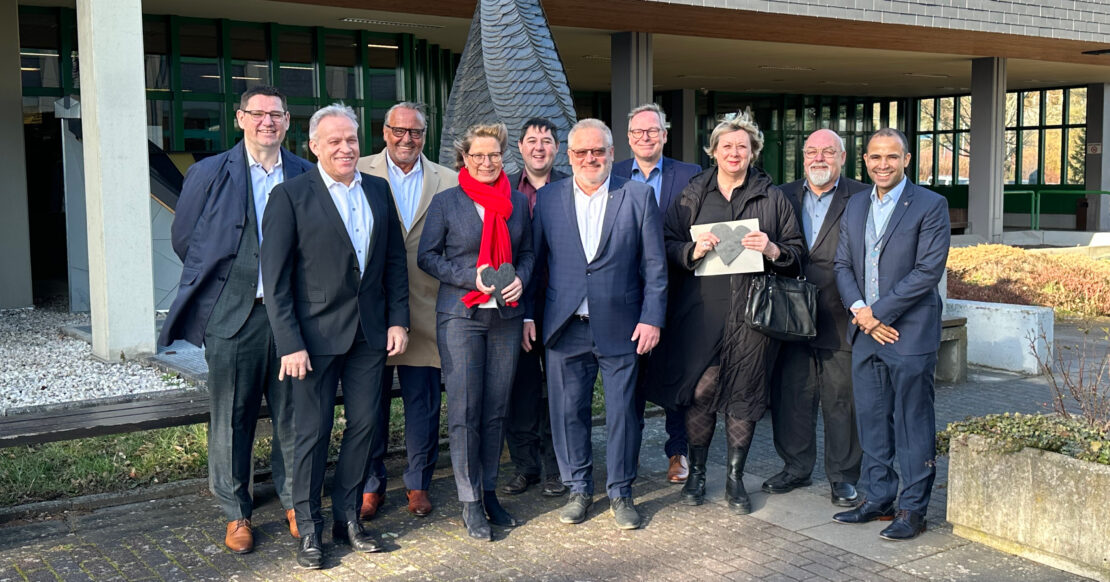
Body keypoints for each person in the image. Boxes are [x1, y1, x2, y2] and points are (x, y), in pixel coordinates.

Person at [160, 85, 311, 554]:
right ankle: (235, 512)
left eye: (277, 114)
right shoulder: (208, 172)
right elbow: (186, 239)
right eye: (258, 113)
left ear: (288, 122)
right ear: (240, 118)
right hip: (231, 317)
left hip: (290, 318)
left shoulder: (306, 173)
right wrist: (227, 284)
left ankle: (292, 500)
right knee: (231, 417)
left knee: (292, 412)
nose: (268, 121)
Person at [262, 104, 409, 569]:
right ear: (314, 147)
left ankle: (349, 519)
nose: (345, 148)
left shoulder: (380, 191)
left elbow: (393, 264)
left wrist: (398, 320)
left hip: (370, 335)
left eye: (350, 140)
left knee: (366, 427)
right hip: (312, 341)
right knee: (312, 433)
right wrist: (289, 343)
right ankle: (309, 530)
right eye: (334, 142)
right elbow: (276, 279)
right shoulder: (290, 196)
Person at [661, 110, 804, 514]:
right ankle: (700, 473)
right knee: (701, 392)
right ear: (714, 151)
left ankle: (735, 479)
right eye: (727, 145)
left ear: (753, 151)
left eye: (743, 146)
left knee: (743, 394)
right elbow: (667, 244)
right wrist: (692, 250)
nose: (734, 152)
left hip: (752, 316)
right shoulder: (692, 195)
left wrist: (774, 249)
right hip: (700, 314)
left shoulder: (771, 197)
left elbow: (796, 254)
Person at [530, 118, 667, 530]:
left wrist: (651, 318)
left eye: (598, 151)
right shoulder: (550, 199)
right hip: (564, 325)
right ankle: (578, 488)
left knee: (624, 413)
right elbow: (537, 266)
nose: (590, 158)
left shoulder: (637, 196)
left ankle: (621, 491)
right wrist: (526, 316)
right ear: (568, 156)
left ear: (611, 153)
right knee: (568, 412)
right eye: (581, 152)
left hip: (622, 326)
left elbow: (655, 267)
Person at [417, 122, 534, 541]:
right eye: (478, 155)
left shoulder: (517, 203)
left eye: (494, 155)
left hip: (504, 318)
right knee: (465, 412)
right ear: (464, 158)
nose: (487, 162)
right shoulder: (447, 201)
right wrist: (471, 277)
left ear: (504, 157)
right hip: (461, 318)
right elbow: (427, 257)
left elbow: (529, 253)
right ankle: (469, 502)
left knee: (496, 408)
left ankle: (488, 491)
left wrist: (520, 276)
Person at [832, 128, 950, 541]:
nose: (883, 164)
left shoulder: (931, 205)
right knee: (871, 420)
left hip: (910, 333)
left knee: (912, 421)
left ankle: (913, 509)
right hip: (866, 331)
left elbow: (926, 272)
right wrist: (861, 314)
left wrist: (876, 313)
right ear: (864, 160)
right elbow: (843, 265)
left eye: (892, 157)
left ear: (907, 159)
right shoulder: (855, 204)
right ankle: (877, 498)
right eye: (875, 157)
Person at [356, 102, 458, 520]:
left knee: (423, 404)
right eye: (398, 130)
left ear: (424, 136)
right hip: (370, 311)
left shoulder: (448, 180)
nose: (406, 139)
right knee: (370, 405)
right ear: (384, 132)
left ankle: (418, 483)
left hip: (426, 309)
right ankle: (370, 485)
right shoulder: (357, 170)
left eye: (415, 132)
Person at [765, 129, 868, 507]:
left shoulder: (861, 196)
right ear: (802, 157)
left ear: (843, 157)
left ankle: (843, 477)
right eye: (812, 151)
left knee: (842, 399)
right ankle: (795, 466)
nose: (819, 158)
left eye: (828, 151)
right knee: (792, 394)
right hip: (789, 313)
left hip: (840, 314)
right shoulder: (781, 194)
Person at [613, 103, 700, 484]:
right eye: (637, 132)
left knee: (676, 379)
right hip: (627, 294)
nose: (645, 137)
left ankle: (677, 452)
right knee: (630, 377)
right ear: (628, 138)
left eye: (652, 131)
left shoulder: (691, 174)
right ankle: (626, 457)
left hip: (679, 290)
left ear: (665, 134)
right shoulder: (613, 175)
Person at [502, 118, 569, 498]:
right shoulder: (505, 188)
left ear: (557, 149)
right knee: (521, 390)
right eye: (532, 141)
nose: (539, 147)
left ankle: (559, 468)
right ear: (521, 148)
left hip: (562, 302)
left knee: (560, 391)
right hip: (515, 305)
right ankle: (525, 467)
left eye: (547, 141)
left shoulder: (569, 187)